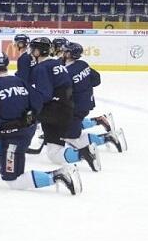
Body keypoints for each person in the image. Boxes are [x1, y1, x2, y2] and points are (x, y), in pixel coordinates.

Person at [0, 52, 81, 195]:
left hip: (13, 138)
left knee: (13, 179)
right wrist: (26, 116)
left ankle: (58, 175)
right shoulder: (20, 81)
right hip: (27, 131)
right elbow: (37, 102)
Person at [27, 37, 98, 172]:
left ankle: (84, 153)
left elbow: (45, 95)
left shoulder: (41, 68)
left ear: (37, 52)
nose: (30, 52)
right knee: (66, 138)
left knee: (53, 153)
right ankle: (85, 150)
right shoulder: (57, 64)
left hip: (54, 111)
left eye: (32, 49)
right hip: (66, 108)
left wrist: (31, 103)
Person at [62, 42, 126, 155]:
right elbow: (96, 79)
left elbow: (64, 92)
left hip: (76, 107)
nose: (63, 53)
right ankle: (99, 121)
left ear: (69, 54)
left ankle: (107, 138)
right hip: (86, 103)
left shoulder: (68, 71)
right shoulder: (82, 64)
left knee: (71, 137)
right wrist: (84, 86)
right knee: (70, 126)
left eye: (65, 51)